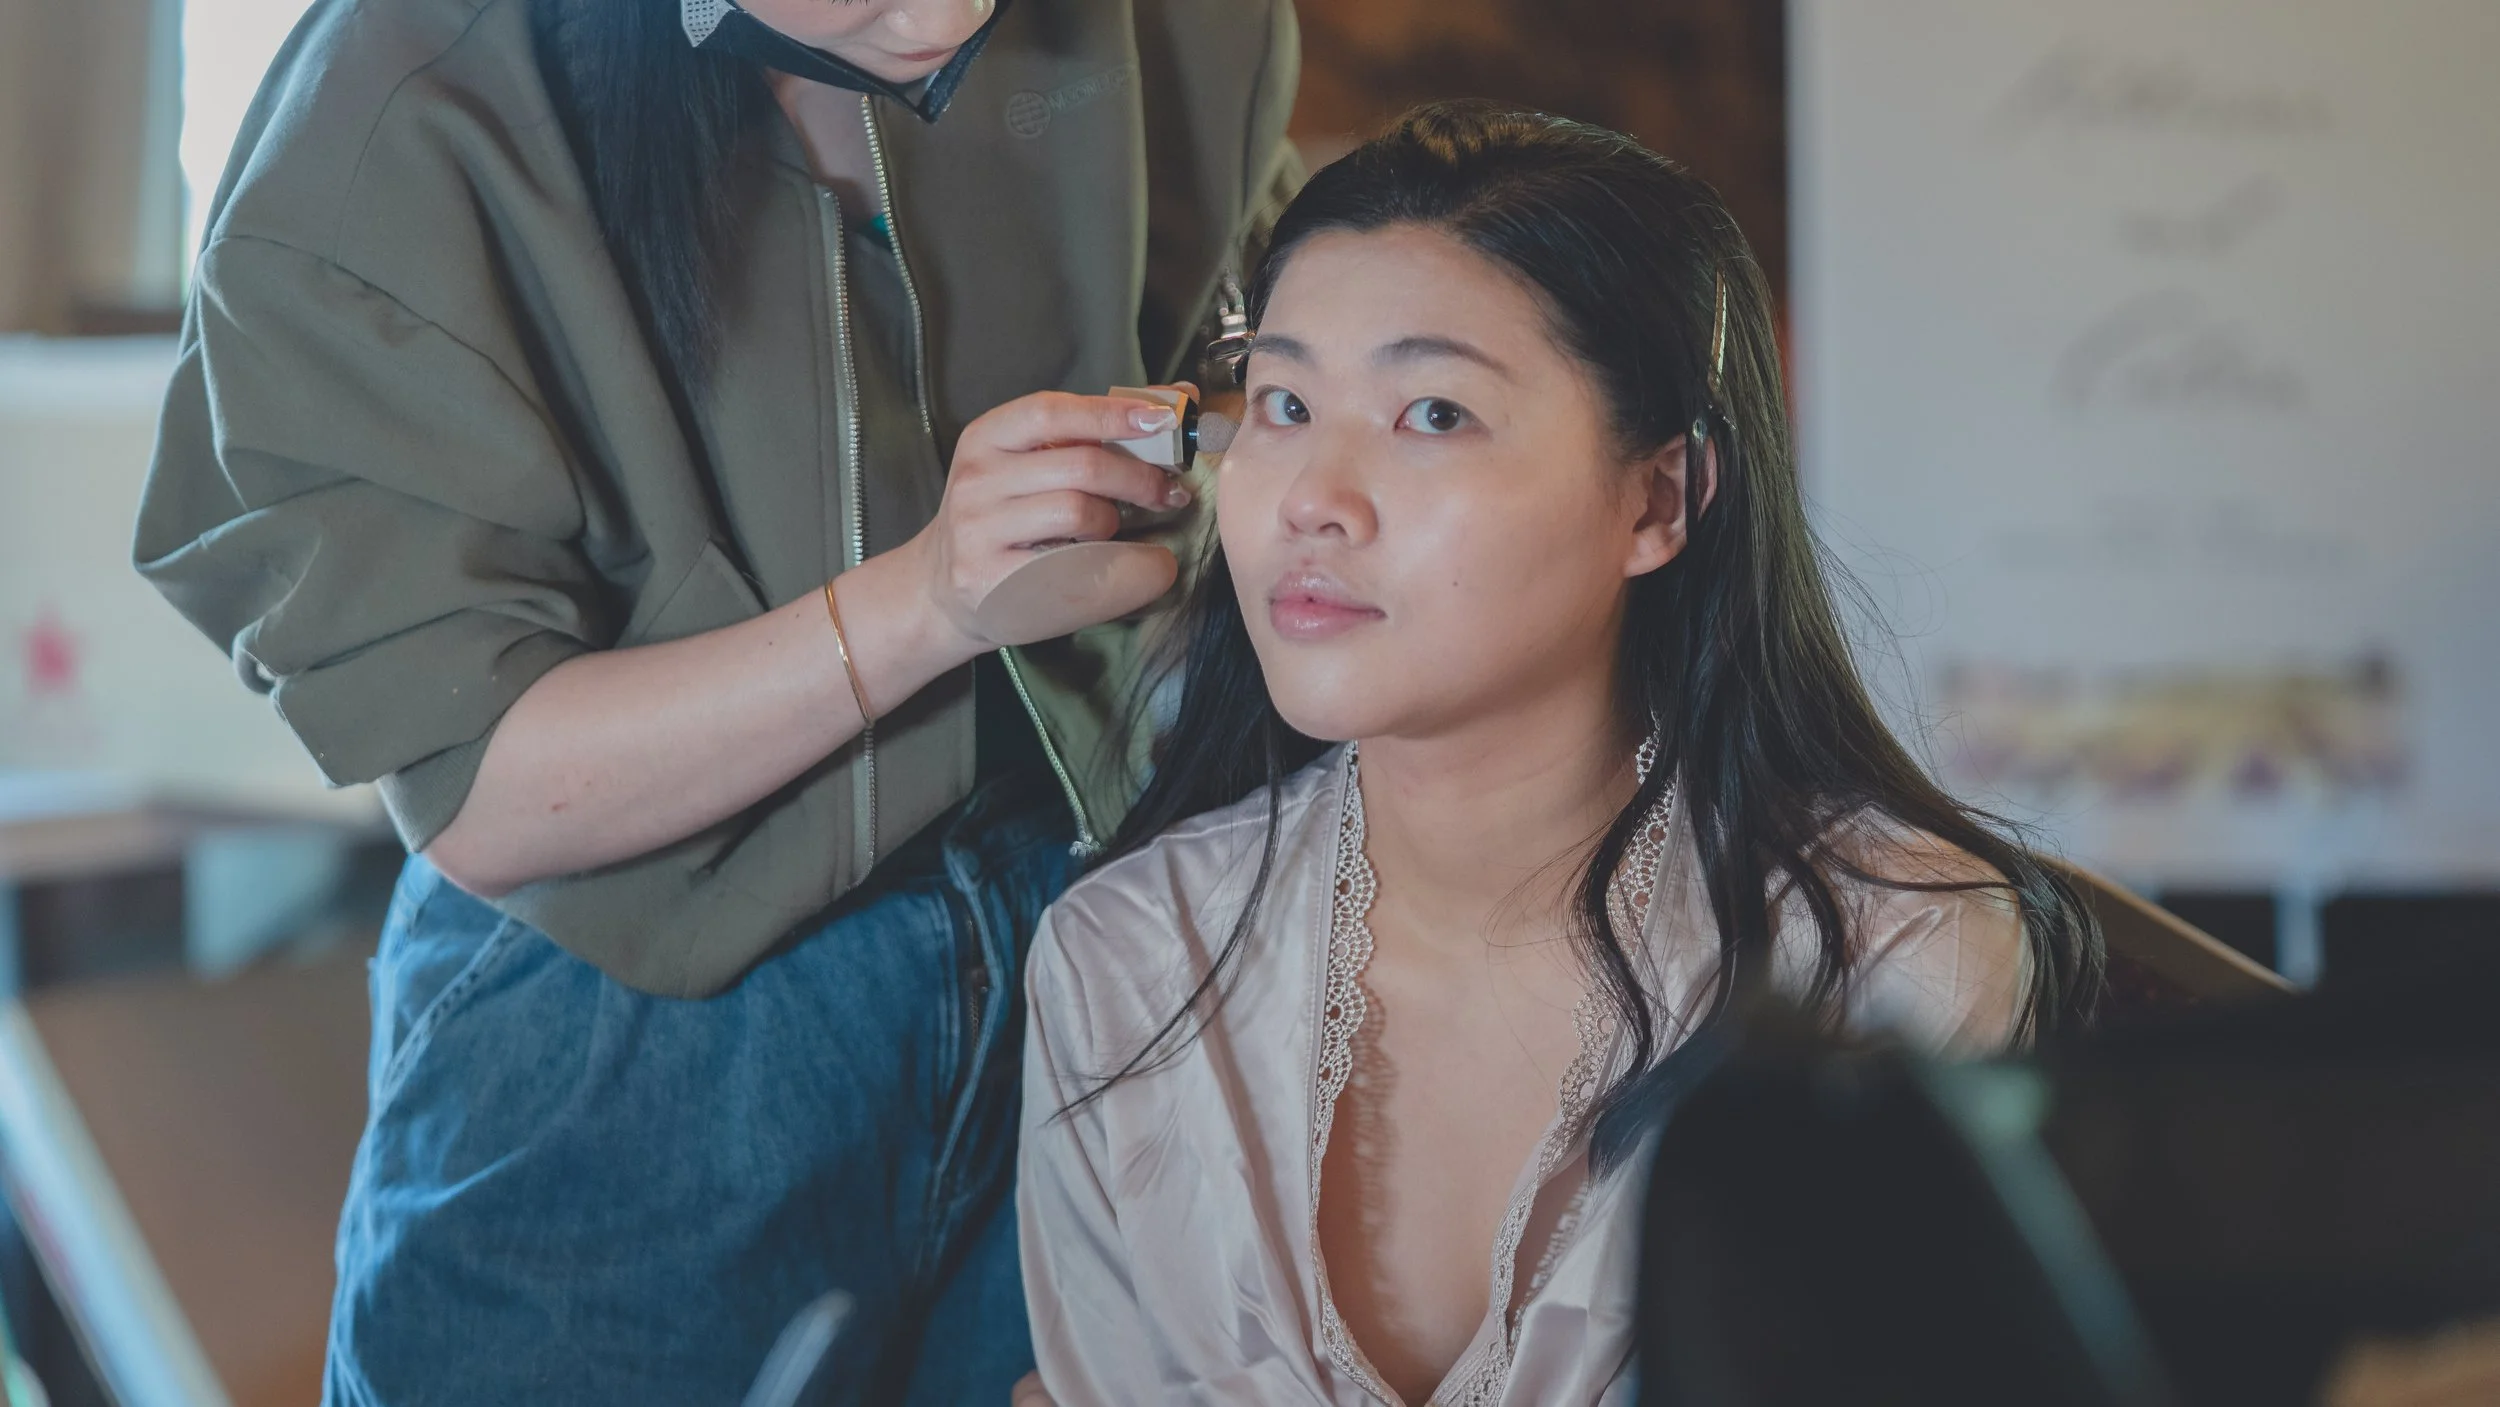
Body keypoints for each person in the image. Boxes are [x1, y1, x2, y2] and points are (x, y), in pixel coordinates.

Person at [132, 0, 1299, 1400]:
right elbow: (486, 791)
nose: (943, 15)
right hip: (642, 1021)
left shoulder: (1192, 29)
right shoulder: (398, 118)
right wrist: (923, 603)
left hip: (1090, 954)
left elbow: (1257, 371)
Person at [1016, 102, 2104, 1406]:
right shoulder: (1126, 962)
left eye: (1432, 413)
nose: (1312, 495)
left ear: (1659, 498)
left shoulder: (1889, 963)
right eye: (1288, 401)